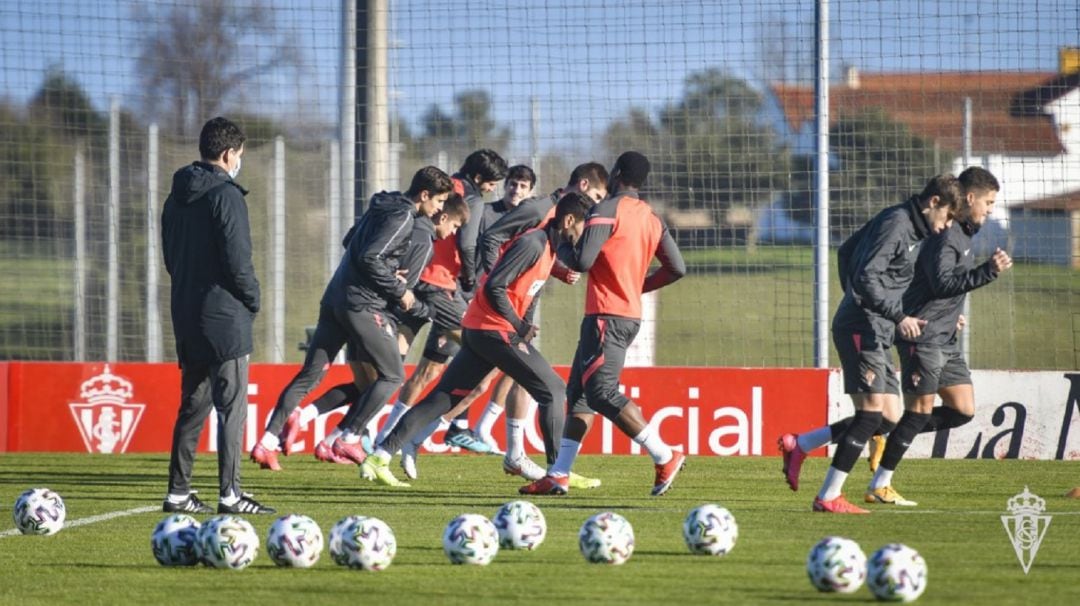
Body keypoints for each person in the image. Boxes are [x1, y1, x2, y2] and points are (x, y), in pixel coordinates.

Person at [359, 192, 594, 487]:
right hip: (493, 330)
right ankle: (559, 472)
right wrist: (518, 323)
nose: (585, 237)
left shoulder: (547, 247)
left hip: (482, 329)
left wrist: (529, 313)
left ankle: (380, 456)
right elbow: (495, 285)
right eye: (584, 228)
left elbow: (521, 287)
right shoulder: (533, 243)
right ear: (568, 220)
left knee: (442, 399)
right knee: (554, 390)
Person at [249, 166, 452, 470]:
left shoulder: (383, 206)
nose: (438, 209)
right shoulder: (404, 217)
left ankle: (266, 442)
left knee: (311, 374)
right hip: (362, 305)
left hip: (335, 298)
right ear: (424, 195)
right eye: (438, 202)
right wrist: (399, 288)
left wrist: (385, 264)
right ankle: (349, 436)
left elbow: (352, 244)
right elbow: (370, 256)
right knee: (393, 375)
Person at [783, 174, 961, 514]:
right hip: (861, 327)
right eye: (949, 216)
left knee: (889, 417)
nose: (948, 225)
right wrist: (886, 312)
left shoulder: (909, 227)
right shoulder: (897, 223)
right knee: (870, 415)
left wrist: (874, 305)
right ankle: (828, 496)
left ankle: (801, 444)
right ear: (934, 203)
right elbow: (866, 275)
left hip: (875, 326)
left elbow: (847, 251)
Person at [520, 151, 688, 497]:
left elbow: (582, 260)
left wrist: (561, 247)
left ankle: (665, 454)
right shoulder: (652, 218)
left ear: (616, 173)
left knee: (601, 392)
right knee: (579, 394)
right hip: (624, 315)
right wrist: (639, 286)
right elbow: (677, 268)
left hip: (606, 318)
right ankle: (559, 474)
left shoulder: (607, 210)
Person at [864, 166, 1012, 506]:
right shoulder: (947, 235)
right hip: (923, 336)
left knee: (962, 409)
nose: (989, 211)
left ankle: (884, 431)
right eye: (988, 203)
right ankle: (880, 483)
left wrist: (952, 315)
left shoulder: (962, 235)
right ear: (970, 198)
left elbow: (943, 289)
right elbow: (941, 282)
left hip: (945, 337)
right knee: (919, 411)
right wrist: (988, 271)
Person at [161, 116, 274, 515]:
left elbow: (170, 258)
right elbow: (238, 259)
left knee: (193, 404)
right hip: (225, 315)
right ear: (229, 153)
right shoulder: (226, 195)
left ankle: (178, 493)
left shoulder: (176, 196)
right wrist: (252, 299)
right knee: (233, 407)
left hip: (187, 311)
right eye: (239, 154)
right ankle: (230, 495)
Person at [378, 150, 509, 456]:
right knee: (482, 346)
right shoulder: (471, 200)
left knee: (402, 363)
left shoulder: (441, 189)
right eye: (492, 183)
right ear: (479, 178)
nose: (492, 190)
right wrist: (469, 275)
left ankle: (375, 431)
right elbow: (467, 242)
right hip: (442, 287)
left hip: (415, 280)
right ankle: (448, 425)